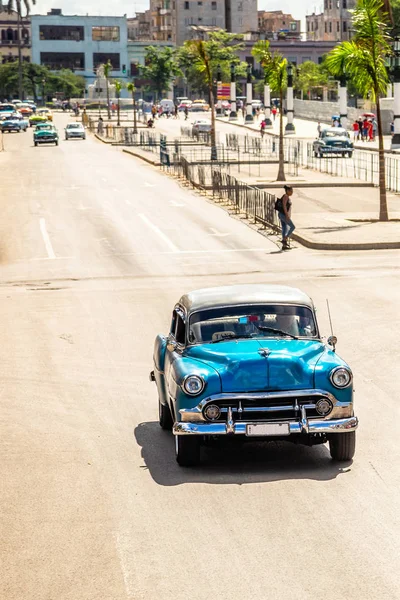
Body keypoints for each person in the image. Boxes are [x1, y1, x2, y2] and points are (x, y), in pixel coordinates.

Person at [278, 185, 295, 250]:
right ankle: (285, 239)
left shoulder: (286, 196)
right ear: (287, 191)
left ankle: (284, 245)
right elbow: (284, 206)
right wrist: (287, 215)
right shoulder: (285, 197)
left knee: (284, 228)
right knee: (292, 227)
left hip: (282, 215)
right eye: (291, 191)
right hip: (283, 215)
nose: (292, 192)